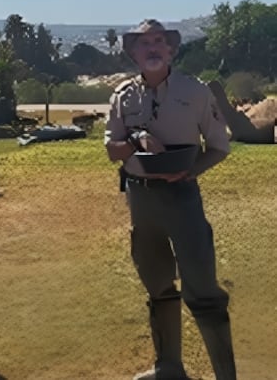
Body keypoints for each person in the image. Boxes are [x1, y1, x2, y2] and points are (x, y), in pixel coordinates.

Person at [104, 19, 236, 380]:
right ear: (133, 53)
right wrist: (138, 140)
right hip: (140, 199)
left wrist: (190, 172)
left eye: (159, 41)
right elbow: (112, 151)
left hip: (182, 198)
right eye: (144, 43)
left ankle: (226, 376)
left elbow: (219, 146)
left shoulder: (195, 92)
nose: (152, 48)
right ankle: (169, 368)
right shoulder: (123, 96)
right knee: (157, 285)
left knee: (203, 289)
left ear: (171, 50)